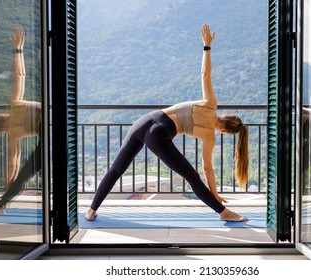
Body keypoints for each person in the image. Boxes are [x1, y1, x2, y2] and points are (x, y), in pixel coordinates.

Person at [85, 24, 249, 222]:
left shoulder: (211, 104)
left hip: (144, 121)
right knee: (193, 177)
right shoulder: (209, 136)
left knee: (116, 169)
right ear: (225, 132)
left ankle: (91, 210)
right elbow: (207, 170)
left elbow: (205, 75)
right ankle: (223, 213)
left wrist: (207, 47)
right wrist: (215, 196)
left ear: (226, 115)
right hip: (159, 133)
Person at [0, 27, 41, 215]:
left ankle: (1, 205)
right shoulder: (15, 105)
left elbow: (14, 163)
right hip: (53, 120)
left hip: (48, 134)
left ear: (1, 131)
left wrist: (8, 184)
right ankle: (1, 204)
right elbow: (20, 75)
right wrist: (18, 49)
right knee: (23, 175)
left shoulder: (13, 134)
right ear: (2, 116)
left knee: (22, 177)